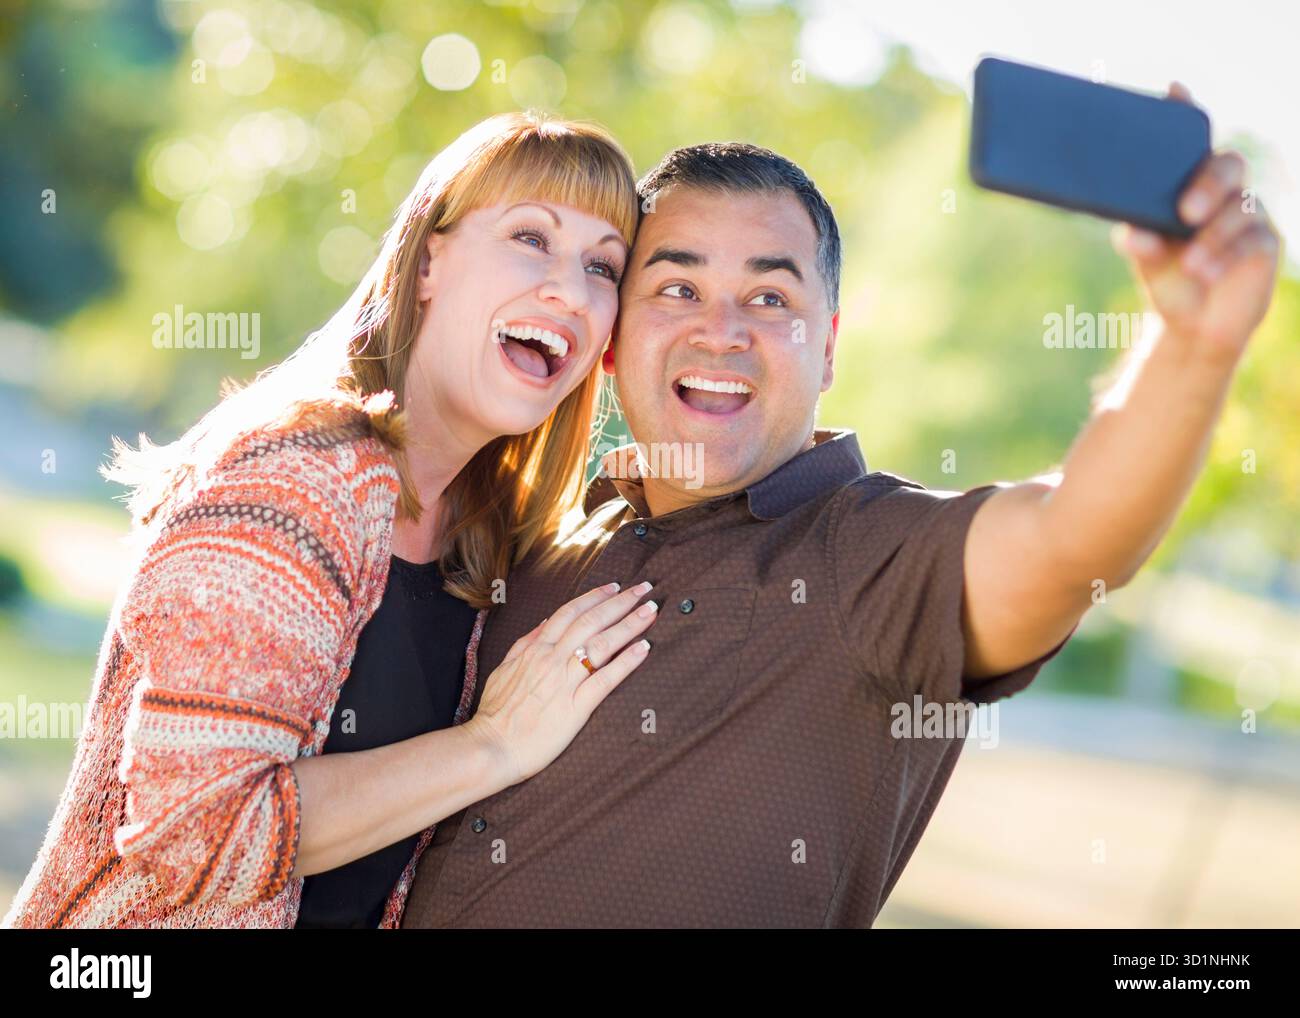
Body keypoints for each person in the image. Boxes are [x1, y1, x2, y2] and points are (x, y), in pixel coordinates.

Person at [399, 87, 1279, 927]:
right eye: (677, 288)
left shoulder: (867, 560)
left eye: (771, 297)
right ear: (613, 339)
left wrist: (1191, 350)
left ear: (826, 348)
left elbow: (1068, 544)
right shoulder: (539, 531)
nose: (723, 330)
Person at [3, 111, 661, 929]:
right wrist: (491, 745)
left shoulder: (484, 530)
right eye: (532, 238)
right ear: (429, 262)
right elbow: (194, 836)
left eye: (604, 266)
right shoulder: (295, 480)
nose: (569, 289)